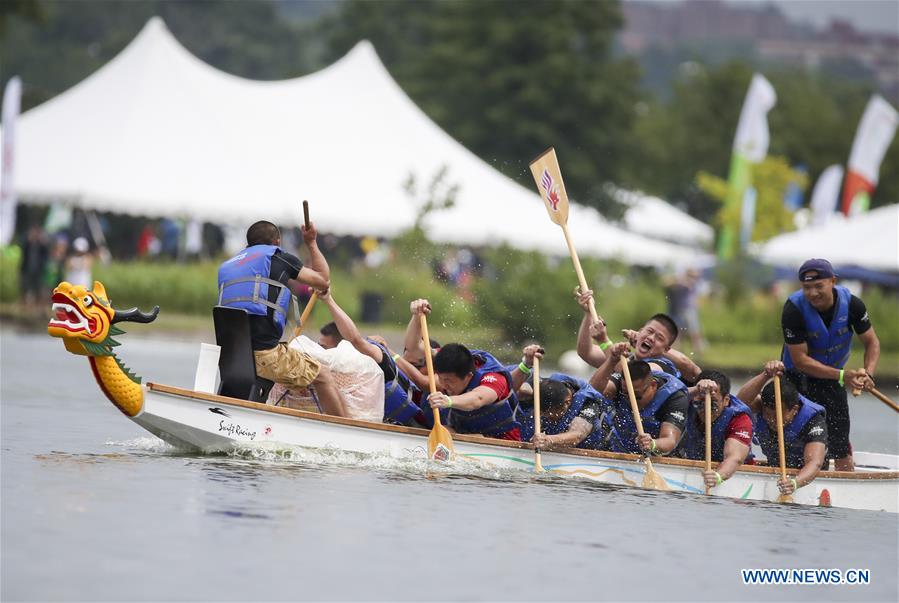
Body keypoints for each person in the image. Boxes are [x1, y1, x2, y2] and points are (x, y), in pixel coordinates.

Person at [217, 220, 347, 417]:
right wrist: (311, 242)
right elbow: (323, 280)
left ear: (248, 244)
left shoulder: (229, 265)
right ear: (277, 242)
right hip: (266, 356)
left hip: (232, 356)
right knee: (323, 375)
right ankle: (342, 429)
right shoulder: (278, 257)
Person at [781, 258, 880, 471]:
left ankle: (845, 479)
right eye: (807, 287)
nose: (813, 293)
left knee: (839, 440)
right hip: (796, 378)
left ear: (832, 281)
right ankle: (794, 475)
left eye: (819, 286)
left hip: (832, 378)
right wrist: (843, 376)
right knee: (798, 438)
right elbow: (800, 360)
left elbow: (872, 342)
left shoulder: (853, 305)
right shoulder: (793, 309)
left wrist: (868, 374)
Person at [319, 290, 423, 425]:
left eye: (324, 347)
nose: (322, 352)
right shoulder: (339, 367)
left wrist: (328, 300)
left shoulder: (376, 357)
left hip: (399, 425)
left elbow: (356, 340)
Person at [574, 289, 700, 383]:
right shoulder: (627, 358)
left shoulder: (662, 367)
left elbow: (631, 376)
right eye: (649, 331)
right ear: (640, 332)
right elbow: (586, 352)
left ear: (666, 349)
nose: (651, 338)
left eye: (659, 338)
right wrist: (588, 314)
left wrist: (603, 341)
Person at [738, 365, 827, 497]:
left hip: (803, 478)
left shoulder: (813, 420)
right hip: (777, 471)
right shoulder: (760, 405)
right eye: (768, 414)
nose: (772, 420)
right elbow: (739, 402)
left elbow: (815, 462)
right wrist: (766, 375)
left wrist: (795, 483)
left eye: (777, 416)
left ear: (794, 409)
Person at [589, 352, 689, 456]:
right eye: (625, 394)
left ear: (653, 385)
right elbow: (592, 390)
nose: (630, 400)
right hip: (618, 449)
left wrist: (652, 444)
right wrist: (611, 361)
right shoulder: (621, 381)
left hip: (661, 457)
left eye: (636, 395)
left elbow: (669, 440)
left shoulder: (675, 397)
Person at [515, 344, 605, 450]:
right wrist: (526, 363)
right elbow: (516, 389)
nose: (550, 419)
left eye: (553, 414)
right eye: (545, 414)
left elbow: (577, 435)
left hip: (588, 452)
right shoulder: (542, 387)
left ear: (567, 402)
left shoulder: (588, 402)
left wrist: (548, 440)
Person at [426, 343, 521, 441]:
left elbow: (478, 398)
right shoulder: (448, 359)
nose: (443, 385)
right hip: (465, 431)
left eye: (448, 381)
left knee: (468, 437)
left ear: (468, 376)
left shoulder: (495, 378)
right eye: (440, 378)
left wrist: (448, 400)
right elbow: (418, 348)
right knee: (443, 431)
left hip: (502, 438)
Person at [680, 370, 754, 491]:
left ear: (726, 400)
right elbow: (670, 395)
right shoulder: (685, 401)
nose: (705, 409)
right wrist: (695, 389)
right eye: (700, 403)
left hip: (730, 473)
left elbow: (735, 458)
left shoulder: (739, 419)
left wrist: (718, 476)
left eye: (712, 403)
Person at [665, 268, 707, 354]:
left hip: (689, 310)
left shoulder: (690, 283)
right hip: (683, 310)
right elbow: (669, 284)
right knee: (681, 331)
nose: (694, 278)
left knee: (693, 331)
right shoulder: (684, 282)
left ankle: (697, 350)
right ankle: (679, 349)